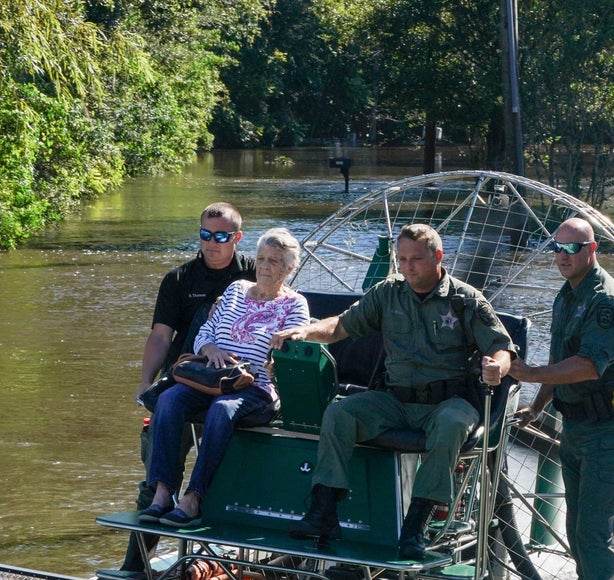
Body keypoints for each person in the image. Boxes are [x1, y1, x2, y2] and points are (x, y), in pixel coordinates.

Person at [270, 223, 514, 560]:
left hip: (448, 402)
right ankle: (324, 512)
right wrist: (306, 331)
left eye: (416, 259)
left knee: (452, 426)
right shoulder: (388, 292)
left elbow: (502, 348)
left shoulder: (465, 300)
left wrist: (497, 367)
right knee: (341, 413)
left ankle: (415, 527)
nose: (408, 266)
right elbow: (342, 325)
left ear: (438, 256)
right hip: (395, 400)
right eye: (402, 259)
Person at [511, 217, 614, 580]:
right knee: (576, 527)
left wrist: (527, 374)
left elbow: (589, 365)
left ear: (593, 249)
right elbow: (560, 358)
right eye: (556, 248)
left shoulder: (606, 301)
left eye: (572, 248)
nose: (562, 256)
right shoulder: (567, 296)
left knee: (595, 531)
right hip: (577, 429)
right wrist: (538, 403)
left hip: (611, 432)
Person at [140, 228, 310, 527]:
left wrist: (259, 363)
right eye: (261, 259)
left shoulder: (295, 305)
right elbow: (205, 330)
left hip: (255, 385)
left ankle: (194, 497)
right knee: (169, 399)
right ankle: (162, 493)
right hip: (211, 377)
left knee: (222, 409)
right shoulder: (235, 290)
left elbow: (287, 353)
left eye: (275, 261)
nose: (265, 266)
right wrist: (210, 348)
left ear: (290, 267)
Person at [132, 203, 256, 506]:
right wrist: (146, 381)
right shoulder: (178, 279)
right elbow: (161, 336)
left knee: (228, 478)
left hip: (235, 378)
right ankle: (153, 518)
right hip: (185, 375)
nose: (212, 243)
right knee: (154, 477)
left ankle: (203, 514)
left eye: (221, 237)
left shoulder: (257, 273)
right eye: (205, 234)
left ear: (237, 237)